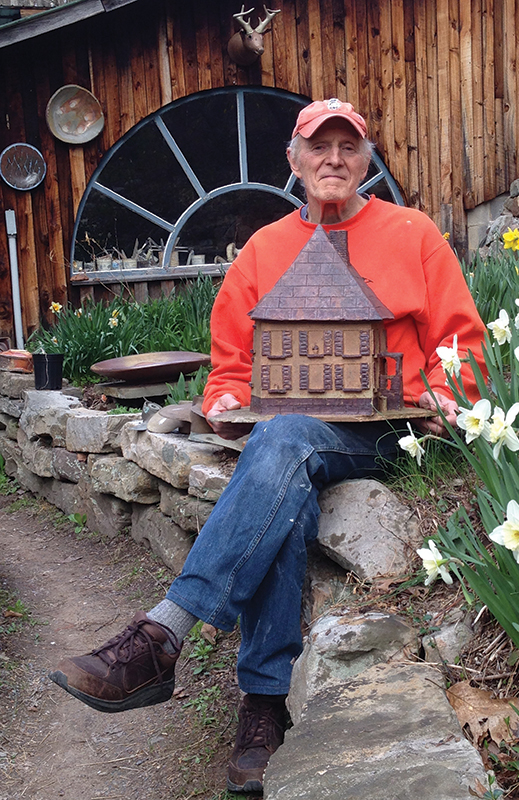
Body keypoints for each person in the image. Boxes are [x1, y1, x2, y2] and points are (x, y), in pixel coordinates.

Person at [50, 99, 486, 793]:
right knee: (280, 462)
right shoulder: (263, 250)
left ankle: (167, 633)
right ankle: (261, 708)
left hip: (387, 428)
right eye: (320, 147)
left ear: (366, 161)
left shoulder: (414, 233)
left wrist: (443, 394)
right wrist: (223, 401)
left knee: (279, 443)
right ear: (295, 161)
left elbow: (460, 343)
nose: (334, 159)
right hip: (290, 432)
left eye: (348, 147)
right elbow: (231, 365)